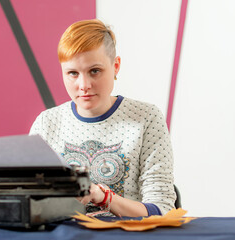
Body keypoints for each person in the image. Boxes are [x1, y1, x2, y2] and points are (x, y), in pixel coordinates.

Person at [29, 19, 176, 217]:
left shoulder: (146, 119)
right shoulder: (46, 123)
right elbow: (29, 201)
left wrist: (105, 198)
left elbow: (162, 209)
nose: (84, 85)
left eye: (95, 71)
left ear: (116, 67)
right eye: (73, 73)